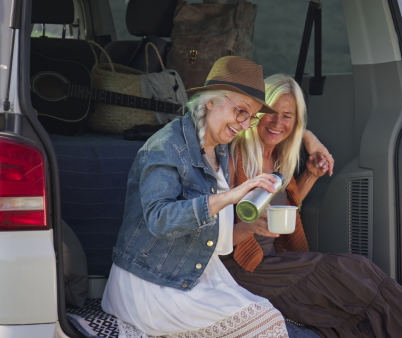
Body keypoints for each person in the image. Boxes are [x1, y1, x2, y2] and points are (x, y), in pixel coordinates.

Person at [223, 74, 402, 338]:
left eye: (288, 116)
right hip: (248, 266)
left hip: (274, 259)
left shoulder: (278, 157)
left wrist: (311, 172)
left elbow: (286, 205)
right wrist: (307, 136)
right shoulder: (236, 156)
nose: (278, 122)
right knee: (351, 270)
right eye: (271, 113)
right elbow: (219, 228)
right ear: (257, 112)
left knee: (358, 276)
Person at [101, 56, 291, 337]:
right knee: (267, 323)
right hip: (152, 283)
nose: (244, 124)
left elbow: (216, 239)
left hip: (197, 274)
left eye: (251, 117)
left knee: (266, 316)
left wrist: (250, 227)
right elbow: (159, 218)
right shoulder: (166, 147)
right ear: (210, 101)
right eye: (241, 111)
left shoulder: (220, 147)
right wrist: (230, 196)